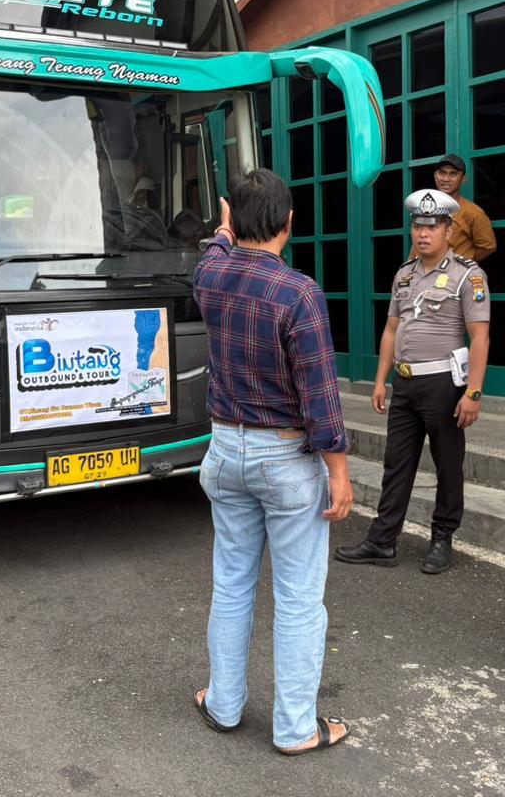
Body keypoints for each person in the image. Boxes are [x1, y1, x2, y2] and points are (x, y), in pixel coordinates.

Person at [191, 168, 353, 756]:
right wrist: (338, 471)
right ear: (290, 222)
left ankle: (225, 704)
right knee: (298, 597)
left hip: (223, 448)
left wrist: (225, 227)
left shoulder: (211, 276)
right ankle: (294, 729)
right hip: (284, 456)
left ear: (232, 217)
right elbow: (321, 394)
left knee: (232, 584)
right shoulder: (298, 292)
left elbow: (214, 248)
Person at [335, 188, 490, 575]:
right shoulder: (404, 276)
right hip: (405, 384)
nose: (423, 234)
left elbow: (481, 337)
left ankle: (442, 537)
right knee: (396, 463)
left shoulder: (468, 275)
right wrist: (379, 380)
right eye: (417, 226)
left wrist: (473, 392)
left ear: (449, 230)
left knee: (447, 464)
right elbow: (391, 329)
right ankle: (383, 541)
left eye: (432, 226)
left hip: (443, 384)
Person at [434, 155, 496, 261]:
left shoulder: (473, 212)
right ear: (435, 175)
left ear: (463, 179)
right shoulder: (425, 207)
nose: (446, 179)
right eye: (442, 173)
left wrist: (462, 265)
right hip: (425, 274)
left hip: (454, 276)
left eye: (453, 174)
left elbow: (488, 247)